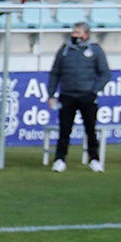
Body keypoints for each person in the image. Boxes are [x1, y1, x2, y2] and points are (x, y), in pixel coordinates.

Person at [48, 22, 112, 172]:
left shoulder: (95, 50)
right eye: (74, 32)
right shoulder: (64, 50)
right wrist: (51, 94)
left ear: (86, 35)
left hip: (87, 96)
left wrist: (94, 91)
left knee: (90, 129)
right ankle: (59, 160)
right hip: (66, 95)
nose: (74, 35)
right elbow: (54, 73)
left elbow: (105, 73)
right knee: (64, 129)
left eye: (78, 33)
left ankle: (94, 159)